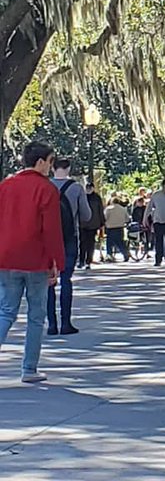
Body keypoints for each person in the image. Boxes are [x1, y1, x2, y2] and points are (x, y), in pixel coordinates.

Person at [0, 142, 64, 382]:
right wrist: (56, 261)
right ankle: (29, 369)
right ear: (40, 162)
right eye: (49, 161)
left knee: (6, 311)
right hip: (35, 259)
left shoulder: (5, 186)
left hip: (6, 257)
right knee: (36, 316)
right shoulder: (46, 189)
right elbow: (51, 230)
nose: (50, 166)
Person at [49, 157, 89, 335]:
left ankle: (51, 324)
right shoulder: (76, 188)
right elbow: (86, 215)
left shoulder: (45, 186)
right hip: (69, 237)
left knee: (48, 282)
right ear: (69, 169)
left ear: (52, 167)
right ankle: (66, 323)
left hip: (47, 239)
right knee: (66, 280)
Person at [79, 182, 105, 269]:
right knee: (82, 243)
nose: (88, 189)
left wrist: (102, 222)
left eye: (90, 187)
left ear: (93, 188)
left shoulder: (97, 198)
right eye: (87, 187)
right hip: (83, 223)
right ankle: (82, 260)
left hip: (93, 224)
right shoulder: (82, 196)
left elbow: (100, 210)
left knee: (90, 243)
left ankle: (88, 261)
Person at [103, 194, 130, 262]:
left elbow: (104, 218)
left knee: (109, 242)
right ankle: (125, 253)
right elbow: (127, 219)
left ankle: (109, 255)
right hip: (120, 227)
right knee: (120, 242)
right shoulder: (123, 209)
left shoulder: (108, 209)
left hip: (110, 228)